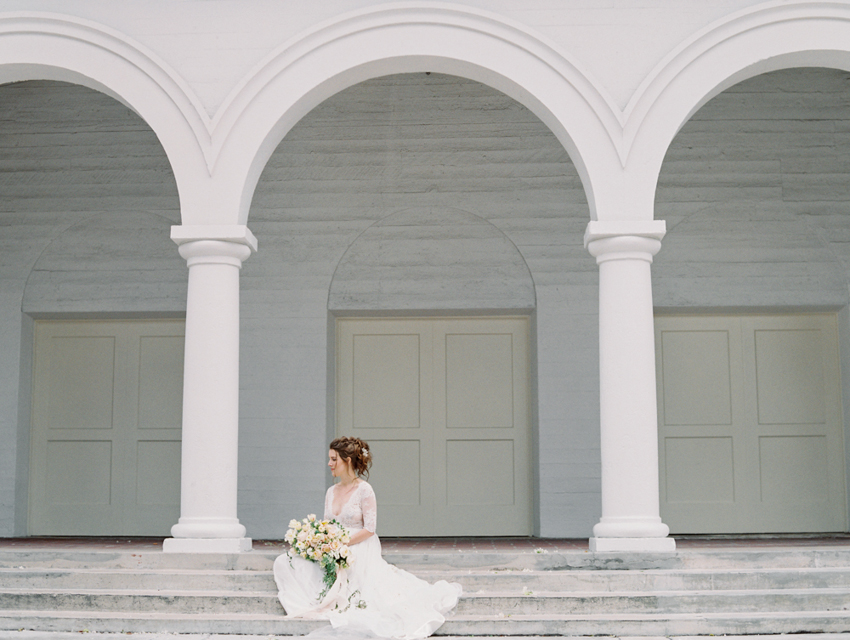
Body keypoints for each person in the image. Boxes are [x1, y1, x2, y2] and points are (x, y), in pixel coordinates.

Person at [273, 436, 462, 640]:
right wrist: (317, 539)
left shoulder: (364, 490)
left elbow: (370, 529)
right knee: (286, 561)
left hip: (358, 546)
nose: (329, 464)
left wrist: (342, 543)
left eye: (334, 459)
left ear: (347, 461)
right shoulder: (330, 491)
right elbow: (326, 524)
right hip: (332, 547)